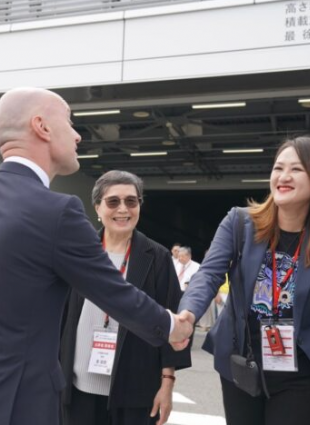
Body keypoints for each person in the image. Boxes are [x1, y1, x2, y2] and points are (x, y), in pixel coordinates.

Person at [0, 87, 193, 425]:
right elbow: (114, 293)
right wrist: (172, 326)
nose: (78, 136)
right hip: (11, 405)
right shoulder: (58, 212)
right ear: (42, 127)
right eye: (69, 122)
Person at [178, 136, 310, 425]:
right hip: (242, 364)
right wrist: (189, 312)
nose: (283, 177)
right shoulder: (239, 223)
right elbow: (209, 274)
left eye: (296, 169)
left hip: (301, 376)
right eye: (278, 168)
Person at [60, 170, 191, 425]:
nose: (123, 209)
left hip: (136, 387)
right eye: (113, 201)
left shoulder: (158, 257)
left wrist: (167, 384)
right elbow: (59, 316)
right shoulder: (79, 252)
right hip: (77, 385)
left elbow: (170, 318)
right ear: (97, 207)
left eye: (131, 201)